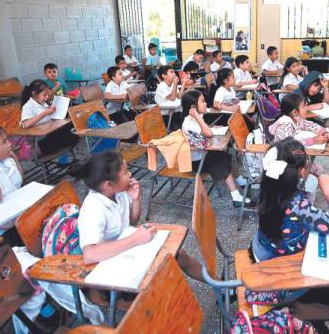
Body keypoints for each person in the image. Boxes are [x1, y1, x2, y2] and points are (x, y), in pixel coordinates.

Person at [251, 138, 329, 309]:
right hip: (279, 267)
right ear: (303, 171)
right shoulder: (300, 207)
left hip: (260, 250)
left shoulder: (268, 187)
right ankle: (292, 301)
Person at [77, 151, 203, 280]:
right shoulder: (93, 208)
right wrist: (135, 239)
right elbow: (90, 255)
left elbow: (130, 223)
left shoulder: (119, 193)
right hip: (107, 264)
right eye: (125, 172)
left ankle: (220, 286)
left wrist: (136, 200)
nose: (130, 174)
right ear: (108, 185)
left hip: (126, 251)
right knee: (161, 277)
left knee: (179, 254)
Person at [181, 91, 255, 207]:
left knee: (227, 156)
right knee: (220, 162)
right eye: (202, 101)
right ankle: (236, 197)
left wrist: (208, 125)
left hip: (203, 154)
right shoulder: (190, 122)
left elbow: (205, 132)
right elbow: (209, 134)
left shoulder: (195, 118)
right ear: (193, 108)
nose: (206, 104)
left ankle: (242, 182)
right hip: (195, 161)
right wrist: (199, 119)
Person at [269, 93, 329, 203]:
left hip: (292, 159)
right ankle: (304, 205)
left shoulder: (297, 119)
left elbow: (309, 125)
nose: (306, 108)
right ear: (294, 112)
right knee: (312, 181)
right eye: (303, 106)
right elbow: (286, 145)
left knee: (317, 169)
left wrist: (324, 132)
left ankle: (299, 193)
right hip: (283, 164)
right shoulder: (285, 124)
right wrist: (313, 141)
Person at [21, 80, 79, 155]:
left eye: (48, 94)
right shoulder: (28, 106)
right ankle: (38, 150)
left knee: (73, 126)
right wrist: (44, 113)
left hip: (50, 132)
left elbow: (48, 119)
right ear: (34, 94)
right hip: (41, 138)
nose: (47, 97)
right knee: (69, 135)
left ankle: (64, 155)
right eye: (44, 95)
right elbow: (26, 124)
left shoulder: (43, 103)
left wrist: (55, 115)